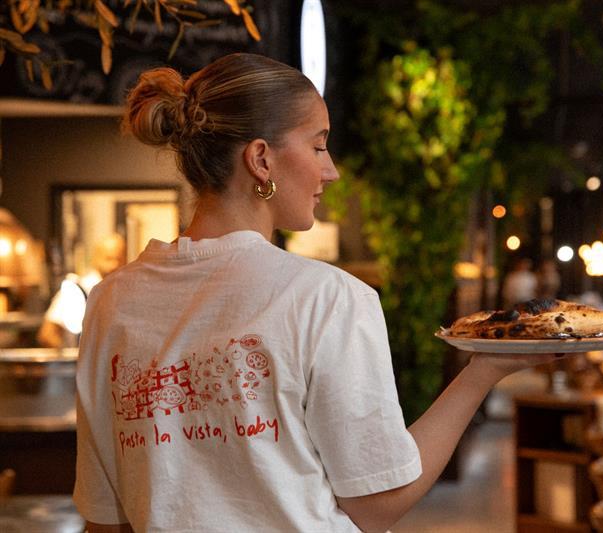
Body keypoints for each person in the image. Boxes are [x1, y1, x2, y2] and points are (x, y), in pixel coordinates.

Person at [73, 53, 561, 533]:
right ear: (261, 158)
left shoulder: (110, 301)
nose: (332, 171)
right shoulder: (327, 299)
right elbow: (377, 505)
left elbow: (104, 517)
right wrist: (483, 372)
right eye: (319, 146)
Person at [37, 233, 126, 348]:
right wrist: (73, 357)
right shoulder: (75, 291)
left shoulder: (125, 294)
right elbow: (47, 334)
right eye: (108, 258)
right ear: (96, 258)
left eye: (119, 259)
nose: (115, 265)